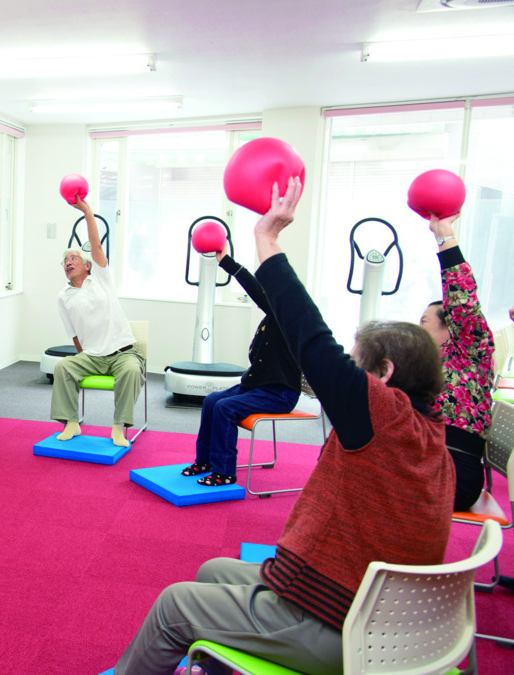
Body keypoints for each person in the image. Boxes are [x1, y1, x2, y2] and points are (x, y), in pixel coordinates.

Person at [115, 179, 455, 675]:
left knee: (174, 605)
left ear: (383, 378)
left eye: (357, 367)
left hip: (341, 627)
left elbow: (311, 336)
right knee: (213, 570)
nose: (348, 375)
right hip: (375, 612)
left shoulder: (385, 419)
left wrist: (267, 241)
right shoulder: (431, 436)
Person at [181, 246, 301, 486]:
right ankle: (204, 461)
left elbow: (257, 292)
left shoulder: (287, 315)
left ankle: (224, 472)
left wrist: (227, 262)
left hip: (279, 393)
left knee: (225, 408)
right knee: (212, 401)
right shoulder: (270, 320)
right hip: (256, 387)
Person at [51, 197, 145, 448]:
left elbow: (95, 244)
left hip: (122, 352)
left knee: (132, 371)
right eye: (65, 262)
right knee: (64, 368)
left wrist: (87, 212)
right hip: (93, 355)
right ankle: (71, 422)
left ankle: (118, 428)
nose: (68, 262)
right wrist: (85, 359)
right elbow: (73, 335)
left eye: (73, 258)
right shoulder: (64, 296)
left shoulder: (101, 278)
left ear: (88, 265)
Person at [419, 213, 494, 511]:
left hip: (454, 471)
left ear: (449, 328)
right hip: (429, 459)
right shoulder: (429, 365)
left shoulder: (469, 352)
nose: (418, 328)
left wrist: (444, 235)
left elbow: (462, 300)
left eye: (424, 322)